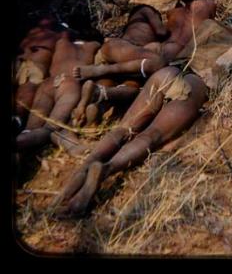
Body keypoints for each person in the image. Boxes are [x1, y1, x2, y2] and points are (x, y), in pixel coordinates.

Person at [53, 65, 209, 216]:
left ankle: (74, 182)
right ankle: (106, 169)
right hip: (195, 84)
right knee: (150, 135)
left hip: (169, 72)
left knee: (123, 129)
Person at [72, 0, 216, 81]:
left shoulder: (172, 13)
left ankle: (106, 72)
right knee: (153, 64)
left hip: (156, 47)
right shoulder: (207, 4)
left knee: (142, 63)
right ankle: (104, 71)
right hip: (176, 53)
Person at [70, 4, 169, 128]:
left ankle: (98, 101)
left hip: (118, 53)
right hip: (124, 47)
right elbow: (162, 31)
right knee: (157, 62)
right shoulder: (145, 9)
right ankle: (102, 70)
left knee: (133, 87)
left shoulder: (131, 28)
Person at [16, 29, 101, 153]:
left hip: (48, 83)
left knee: (30, 129)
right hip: (69, 83)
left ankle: (21, 145)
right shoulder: (93, 45)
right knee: (51, 128)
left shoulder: (61, 42)